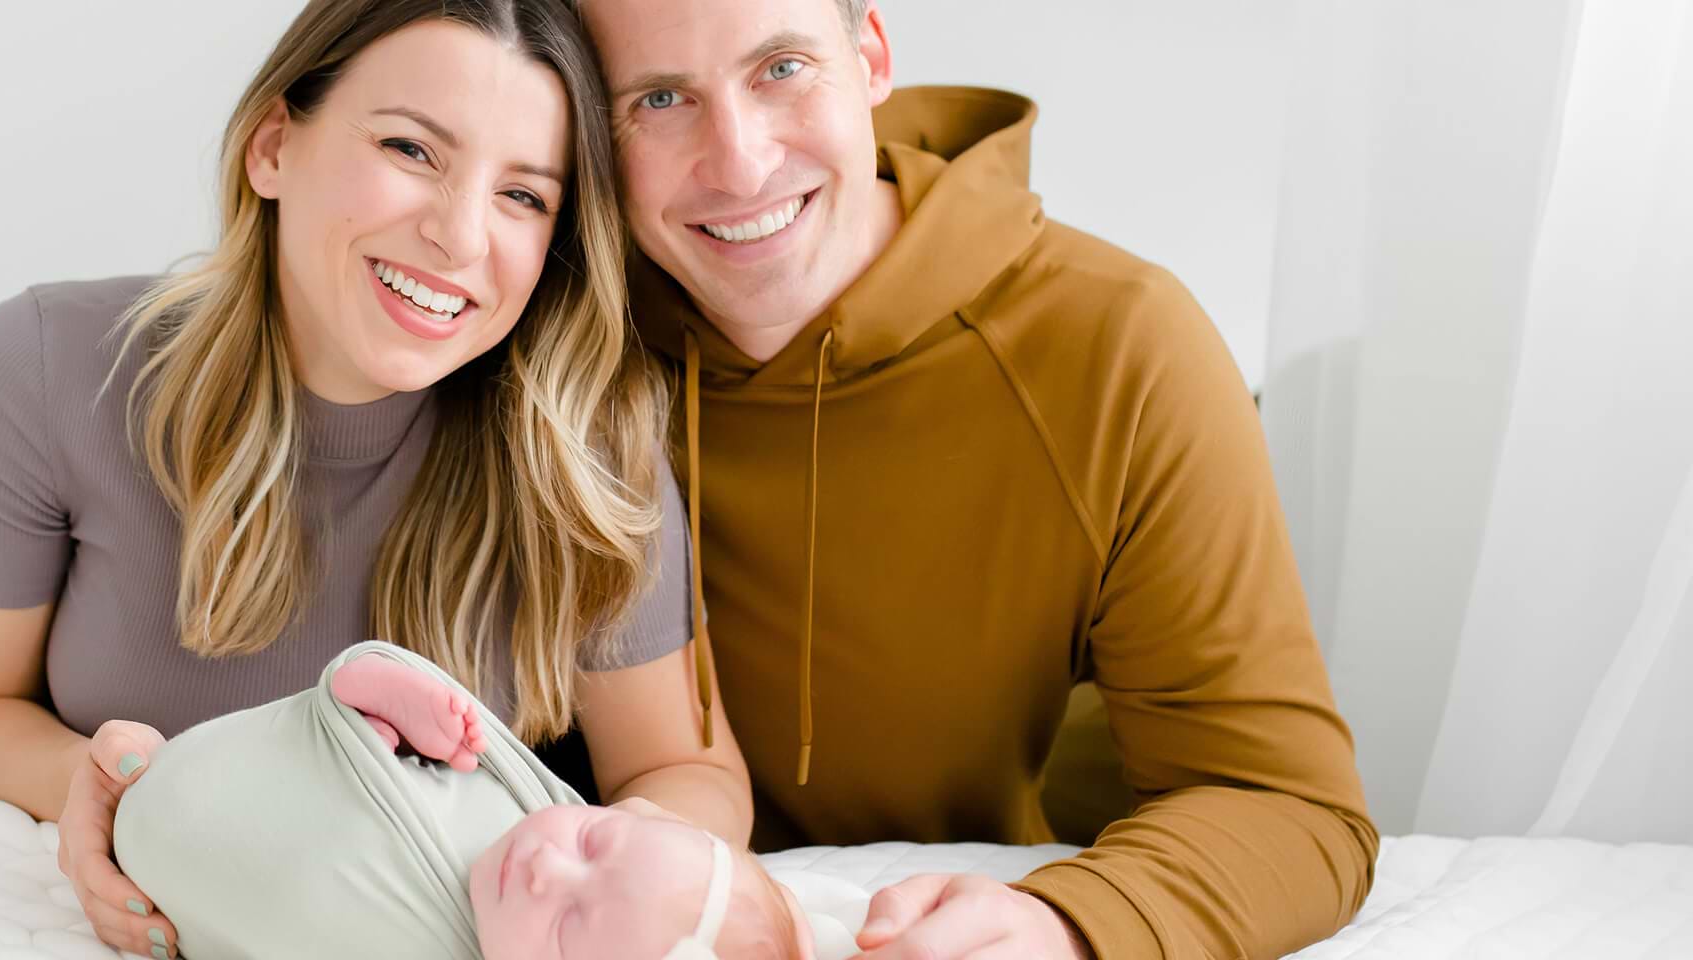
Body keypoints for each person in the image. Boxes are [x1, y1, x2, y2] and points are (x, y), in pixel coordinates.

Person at [0, 1, 751, 957]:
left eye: (523, 195)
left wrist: (588, 890)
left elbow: (686, 774)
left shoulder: (584, 443)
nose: (460, 237)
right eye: (411, 149)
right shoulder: (46, 368)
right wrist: (106, 790)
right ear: (272, 146)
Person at [575, 0, 1378, 956]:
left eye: (782, 69)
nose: (741, 164)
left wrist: (1063, 925)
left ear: (871, 55)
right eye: (660, 100)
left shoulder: (1122, 346)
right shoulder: (538, 348)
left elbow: (1288, 806)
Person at [115, 641, 829, 959]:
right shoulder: (512, 824)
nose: (548, 867)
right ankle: (375, 710)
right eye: (592, 841)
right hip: (264, 774)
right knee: (421, 754)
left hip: (191, 881)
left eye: (570, 926)